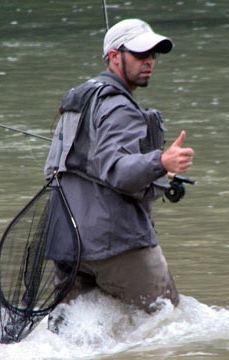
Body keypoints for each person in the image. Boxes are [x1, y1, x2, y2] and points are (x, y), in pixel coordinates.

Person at [44, 18, 194, 327]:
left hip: (68, 243)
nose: (149, 61)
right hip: (117, 246)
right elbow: (119, 171)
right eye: (140, 54)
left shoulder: (81, 98)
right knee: (171, 322)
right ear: (114, 57)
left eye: (153, 55)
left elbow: (58, 168)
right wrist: (161, 163)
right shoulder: (119, 107)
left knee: (71, 338)